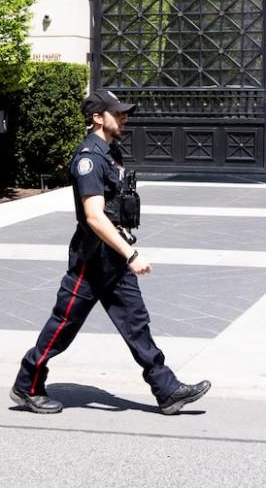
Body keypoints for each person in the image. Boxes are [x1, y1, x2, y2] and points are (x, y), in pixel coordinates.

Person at [11, 89, 211, 415]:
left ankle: (167, 389)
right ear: (96, 117)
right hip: (91, 260)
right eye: (117, 113)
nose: (124, 118)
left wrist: (124, 251)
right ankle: (27, 384)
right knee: (63, 326)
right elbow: (93, 216)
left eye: (124, 113)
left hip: (113, 256)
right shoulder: (88, 159)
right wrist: (131, 255)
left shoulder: (110, 152)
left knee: (136, 322)